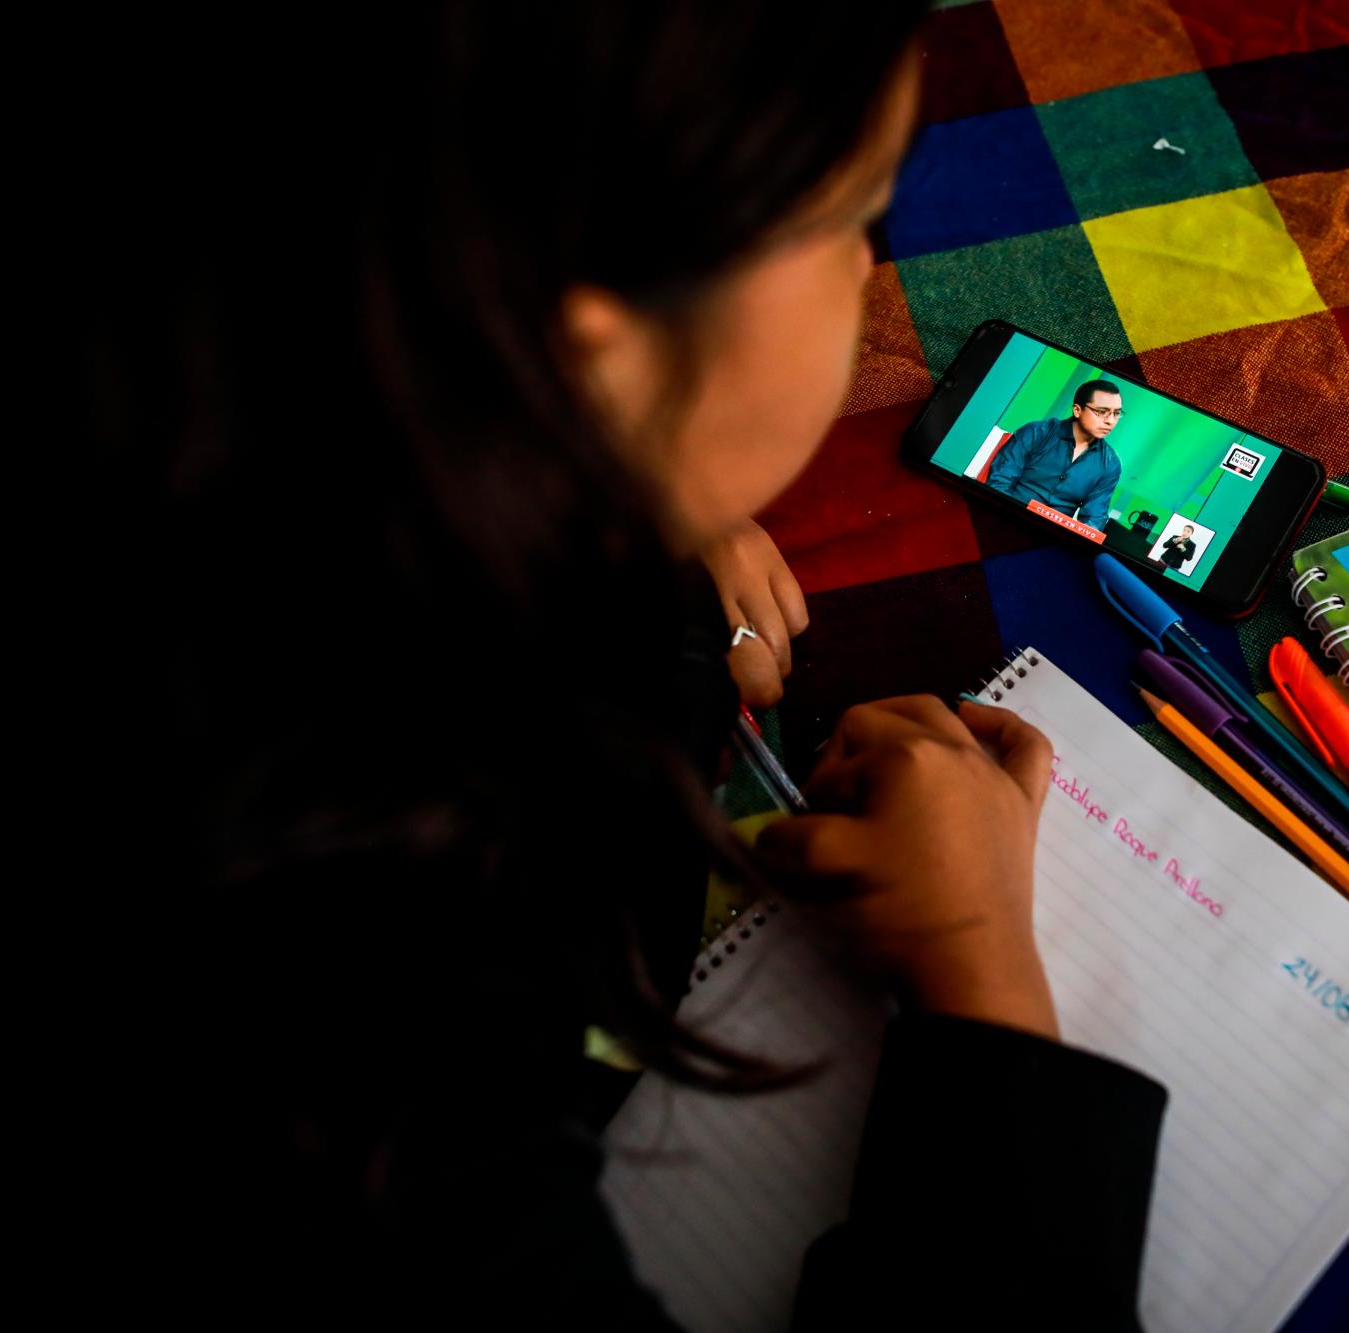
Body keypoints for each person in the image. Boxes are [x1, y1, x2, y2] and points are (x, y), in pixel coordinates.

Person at [64, 1, 1166, 1321]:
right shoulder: (347, 1026)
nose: (877, 274)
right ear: (573, 354)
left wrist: (615, 489)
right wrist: (983, 979)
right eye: (850, 223)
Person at [986, 380, 1126, 532]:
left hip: (1050, 537)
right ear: (1077, 410)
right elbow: (999, 483)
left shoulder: (1110, 464)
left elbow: (1094, 519)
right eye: (1101, 412)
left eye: (1116, 413)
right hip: (1005, 518)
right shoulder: (1036, 433)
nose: (1110, 421)